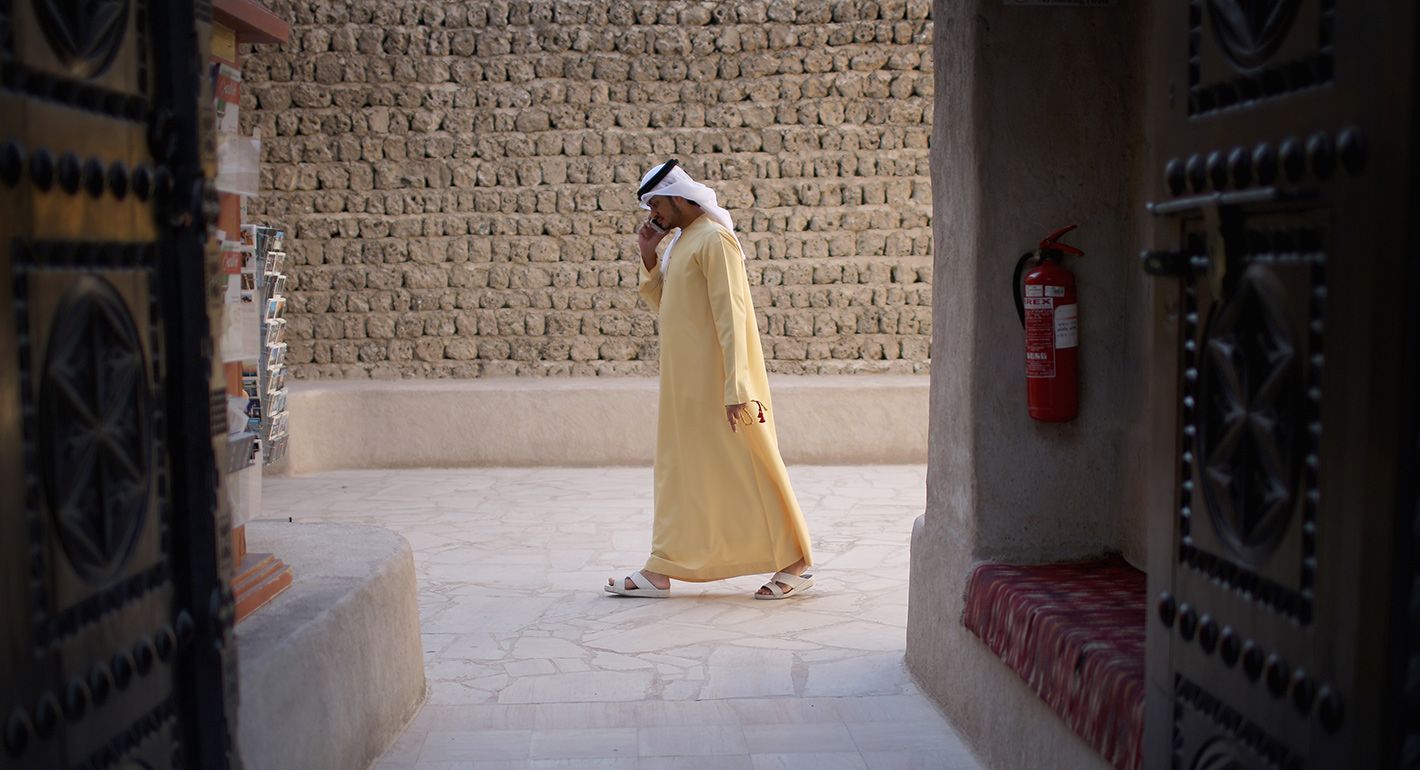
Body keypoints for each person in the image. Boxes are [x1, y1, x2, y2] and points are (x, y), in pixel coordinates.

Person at [605, 159, 814, 600]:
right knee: (682, 475)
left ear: (681, 197)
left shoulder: (715, 240)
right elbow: (671, 309)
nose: (653, 215)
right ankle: (662, 568)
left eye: (657, 204)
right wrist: (649, 256)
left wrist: (738, 388)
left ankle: (796, 561)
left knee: (752, 464)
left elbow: (732, 316)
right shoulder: (683, 243)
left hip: (722, 385)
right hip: (685, 389)